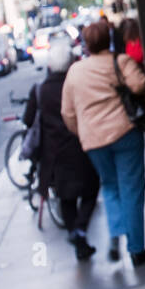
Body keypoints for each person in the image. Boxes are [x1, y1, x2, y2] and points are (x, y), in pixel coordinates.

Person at [61, 20, 145, 265]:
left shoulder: (75, 71)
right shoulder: (119, 61)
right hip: (124, 132)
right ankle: (137, 250)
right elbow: (140, 85)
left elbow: (67, 113)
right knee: (132, 189)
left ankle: (115, 234)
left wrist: (82, 132)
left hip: (93, 140)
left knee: (110, 186)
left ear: (86, 45)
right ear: (109, 39)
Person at [23, 40, 100, 260]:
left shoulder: (39, 90)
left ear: (49, 65)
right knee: (91, 190)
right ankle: (80, 231)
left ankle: (78, 239)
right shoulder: (76, 84)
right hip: (79, 146)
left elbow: (28, 121)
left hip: (53, 154)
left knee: (66, 199)